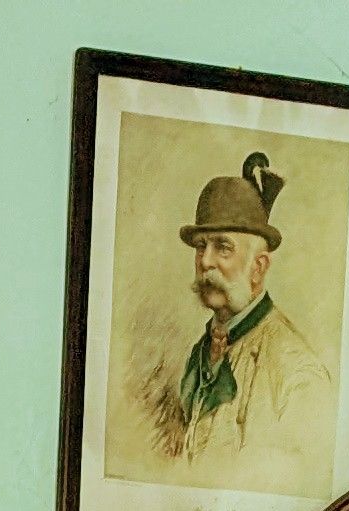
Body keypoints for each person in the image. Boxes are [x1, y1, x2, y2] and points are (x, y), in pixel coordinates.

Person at [133, 152, 332, 486]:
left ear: (259, 267)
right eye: (200, 246)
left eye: (222, 247)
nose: (205, 261)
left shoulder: (297, 374)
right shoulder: (199, 354)